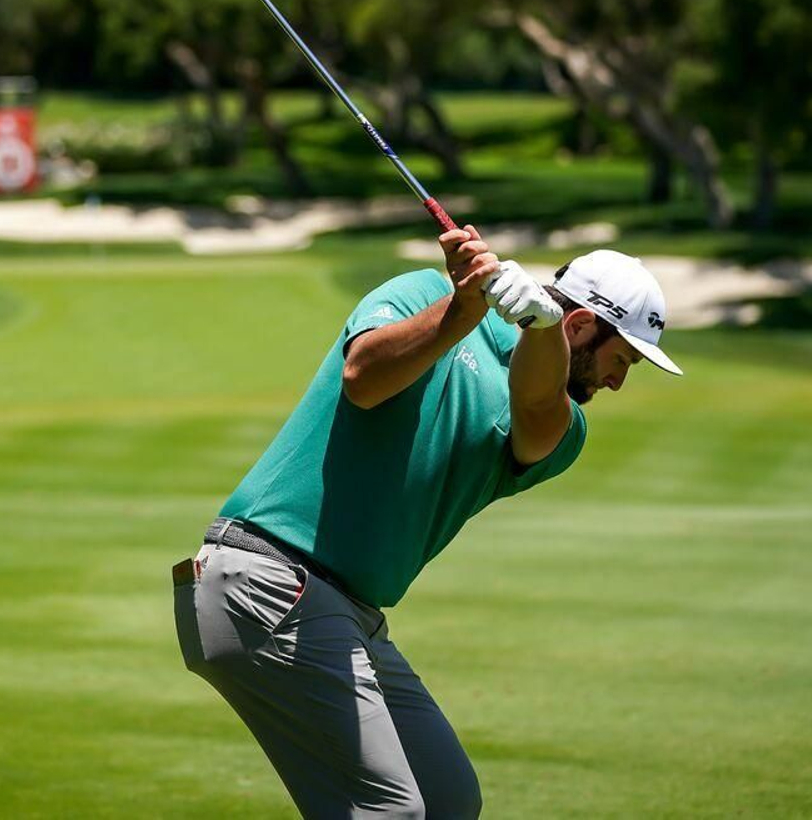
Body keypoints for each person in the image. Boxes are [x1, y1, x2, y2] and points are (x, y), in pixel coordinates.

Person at [172, 225, 682, 818]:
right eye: (621, 360)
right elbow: (362, 380)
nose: (618, 381)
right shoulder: (422, 293)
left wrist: (539, 331)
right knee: (391, 811)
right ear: (582, 326)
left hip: (347, 614)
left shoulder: (565, 428)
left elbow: (537, 408)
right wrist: (461, 310)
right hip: (268, 580)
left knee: (447, 799)